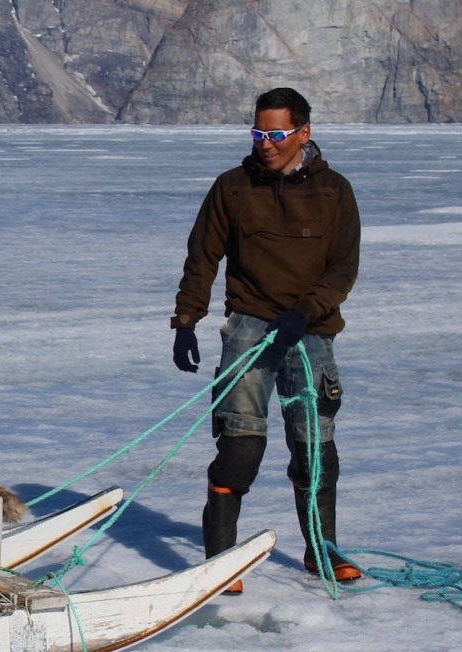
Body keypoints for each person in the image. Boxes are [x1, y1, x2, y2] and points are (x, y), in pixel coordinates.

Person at [170, 87, 362, 593]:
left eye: (276, 134)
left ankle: (322, 549)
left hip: (310, 332)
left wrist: (304, 313)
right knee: (240, 446)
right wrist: (186, 320)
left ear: (304, 131)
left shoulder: (334, 191)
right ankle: (220, 560)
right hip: (250, 327)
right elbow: (202, 256)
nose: (266, 144)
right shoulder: (232, 188)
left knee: (314, 449)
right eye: (258, 133)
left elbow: (343, 268)